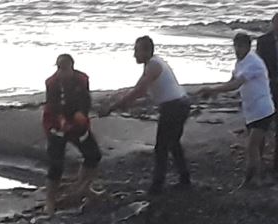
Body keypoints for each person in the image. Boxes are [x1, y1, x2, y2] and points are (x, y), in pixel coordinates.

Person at [99, 36, 191, 194]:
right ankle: (184, 179)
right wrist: (120, 102)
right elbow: (141, 89)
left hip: (174, 107)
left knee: (162, 147)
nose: (134, 55)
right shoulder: (153, 63)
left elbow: (139, 90)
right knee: (173, 143)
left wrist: (114, 107)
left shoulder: (153, 65)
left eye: (137, 51)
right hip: (178, 104)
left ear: (147, 51)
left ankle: (158, 186)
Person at [199, 33, 275, 187]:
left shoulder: (254, 62)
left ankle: (254, 179)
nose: (237, 50)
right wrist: (214, 92)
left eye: (240, 46)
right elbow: (232, 80)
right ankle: (254, 178)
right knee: (256, 147)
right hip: (251, 110)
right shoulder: (240, 62)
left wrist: (214, 89)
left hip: (263, 109)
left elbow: (236, 84)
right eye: (236, 46)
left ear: (248, 47)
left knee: (252, 146)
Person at [42, 53, 102, 216]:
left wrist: (81, 113)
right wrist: (61, 120)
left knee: (93, 155)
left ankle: (84, 189)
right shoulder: (51, 82)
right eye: (59, 69)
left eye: (65, 69)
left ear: (72, 68)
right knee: (56, 164)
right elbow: (53, 105)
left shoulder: (82, 79)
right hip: (56, 125)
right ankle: (50, 201)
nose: (62, 73)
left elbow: (85, 100)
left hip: (78, 122)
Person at [256, 13, 278, 173]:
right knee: (262, 124)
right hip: (268, 85)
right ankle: (259, 160)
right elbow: (259, 64)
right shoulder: (264, 41)